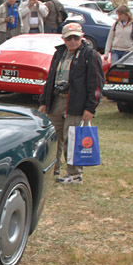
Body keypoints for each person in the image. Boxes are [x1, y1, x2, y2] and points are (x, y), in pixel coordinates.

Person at [38, 22, 103, 185]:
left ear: (82, 37)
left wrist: (90, 107)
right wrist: (44, 101)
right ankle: (54, 168)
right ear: (64, 39)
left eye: (76, 38)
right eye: (69, 38)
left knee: (71, 139)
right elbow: (50, 78)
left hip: (76, 104)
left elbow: (96, 83)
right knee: (54, 137)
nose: (72, 41)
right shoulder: (59, 53)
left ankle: (75, 174)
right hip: (56, 100)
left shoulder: (90, 55)